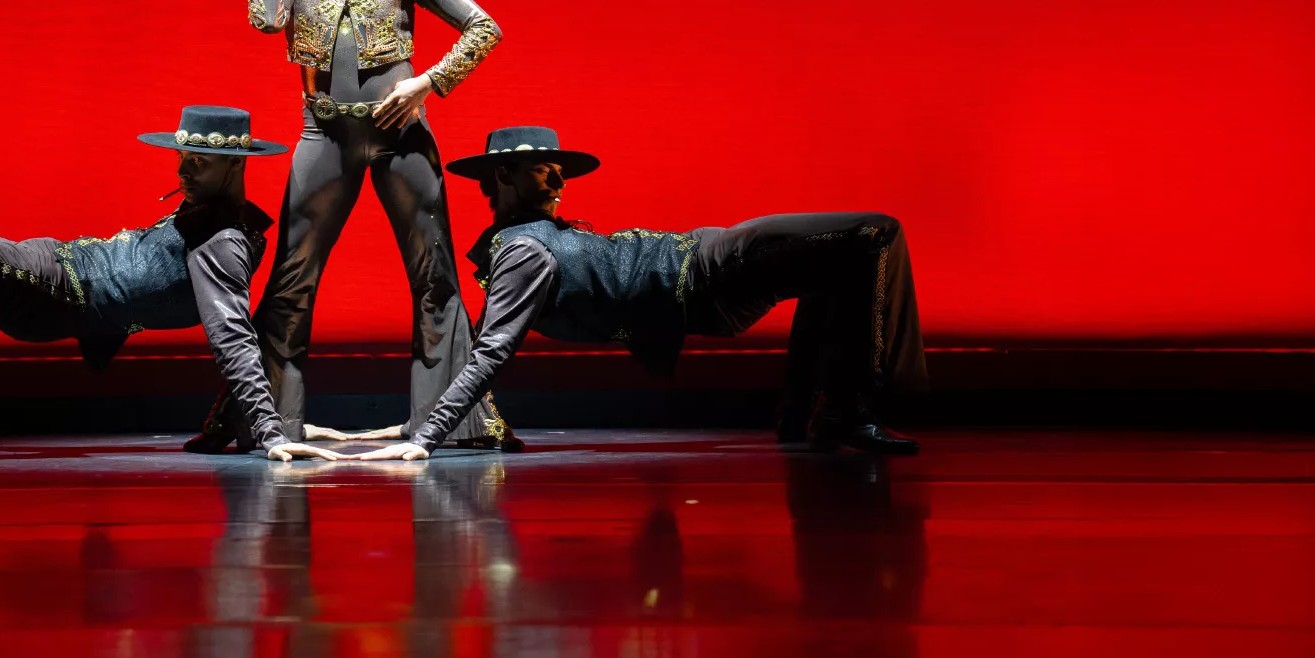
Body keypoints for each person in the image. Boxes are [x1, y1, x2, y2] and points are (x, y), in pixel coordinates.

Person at [185, 0, 514, 452]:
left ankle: (452, 422)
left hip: (401, 137)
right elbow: (264, 19)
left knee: (435, 276)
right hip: (325, 133)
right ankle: (267, 423)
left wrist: (427, 82)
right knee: (292, 279)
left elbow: (483, 26)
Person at [351, 125, 928, 461]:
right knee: (874, 233)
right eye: (544, 169)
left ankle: (812, 417)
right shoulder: (524, 252)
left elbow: (485, 343)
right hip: (711, 271)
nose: (558, 178)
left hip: (712, 271)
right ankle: (846, 413)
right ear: (502, 176)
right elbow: (490, 351)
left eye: (559, 169)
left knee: (835, 266)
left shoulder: (525, 243)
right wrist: (426, 436)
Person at [0, 105, 344, 463]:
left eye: (199, 162)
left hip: (45, 286)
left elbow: (233, 335)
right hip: (44, 272)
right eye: (182, 157)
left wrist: (269, 430)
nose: (183, 170)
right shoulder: (209, 216)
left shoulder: (222, 242)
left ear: (236, 164)